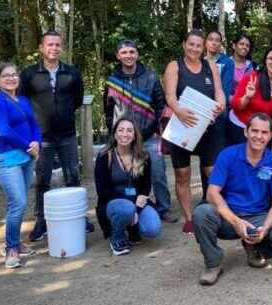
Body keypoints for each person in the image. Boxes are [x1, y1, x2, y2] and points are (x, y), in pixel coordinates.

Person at [193, 113, 272, 286]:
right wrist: (236, 221)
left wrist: (265, 228)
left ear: (270, 135)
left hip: (257, 216)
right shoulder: (227, 155)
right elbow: (212, 193)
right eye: (255, 131)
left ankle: (255, 248)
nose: (259, 136)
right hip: (228, 217)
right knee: (201, 213)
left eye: (264, 132)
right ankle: (213, 263)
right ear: (246, 132)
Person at [19, 30, 93, 242]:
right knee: (43, 180)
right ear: (41, 48)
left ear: (62, 48)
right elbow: (23, 103)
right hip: (41, 137)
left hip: (67, 135)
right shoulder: (29, 74)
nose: (54, 48)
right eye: (49, 44)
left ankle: (79, 217)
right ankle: (41, 220)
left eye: (57, 45)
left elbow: (77, 100)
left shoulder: (72, 73)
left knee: (73, 177)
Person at [103, 39, 177, 223]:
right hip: (124, 137)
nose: (128, 55)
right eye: (124, 52)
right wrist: (115, 135)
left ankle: (164, 208)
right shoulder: (112, 80)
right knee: (126, 174)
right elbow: (108, 110)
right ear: (118, 56)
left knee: (157, 173)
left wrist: (155, 129)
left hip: (150, 135)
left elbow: (161, 105)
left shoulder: (151, 76)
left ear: (137, 54)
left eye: (131, 52)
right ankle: (132, 207)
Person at [163, 30, 227, 234]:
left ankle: (216, 212)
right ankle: (189, 218)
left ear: (204, 47)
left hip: (208, 127)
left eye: (198, 45)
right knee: (183, 175)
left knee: (212, 172)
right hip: (183, 126)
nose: (194, 49)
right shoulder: (175, 66)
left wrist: (221, 104)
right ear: (184, 44)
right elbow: (170, 95)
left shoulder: (210, 65)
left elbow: (219, 90)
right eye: (191, 44)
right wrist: (178, 110)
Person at [0, 62, 41, 268]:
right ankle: (11, 249)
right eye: (6, 75)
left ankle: (16, 242)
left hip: (25, 157)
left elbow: (34, 123)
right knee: (17, 203)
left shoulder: (23, 99)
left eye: (14, 75)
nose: (11, 78)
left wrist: (37, 142)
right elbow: (3, 131)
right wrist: (29, 146)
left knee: (21, 201)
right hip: (7, 159)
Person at [95, 118, 162, 256]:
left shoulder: (143, 156)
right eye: (121, 130)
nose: (125, 134)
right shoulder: (104, 156)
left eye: (129, 130)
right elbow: (102, 191)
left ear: (135, 135)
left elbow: (146, 185)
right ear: (114, 134)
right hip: (112, 202)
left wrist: (142, 198)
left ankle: (133, 227)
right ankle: (117, 236)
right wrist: (131, 202)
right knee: (126, 208)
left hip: (137, 201)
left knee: (153, 228)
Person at [228, 47, 272, 148]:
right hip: (241, 125)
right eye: (271, 59)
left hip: (262, 130)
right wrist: (247, 97)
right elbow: (235, 105)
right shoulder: (251, 77)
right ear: (265, 61)